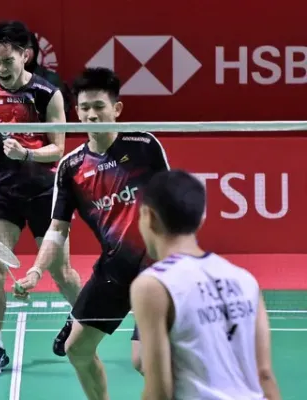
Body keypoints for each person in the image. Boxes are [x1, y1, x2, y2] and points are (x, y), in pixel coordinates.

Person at [14, 67, 170, 399]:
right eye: (84, 108)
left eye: (99, 106)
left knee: (145, 361)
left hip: (156, 269)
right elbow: (57, 229)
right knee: (77, 349)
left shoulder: (144, 146)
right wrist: (36, 271)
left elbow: (171, 204)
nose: (91, 115)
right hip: (114, 270)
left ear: (117, 109)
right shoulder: (71, 168)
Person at [0, 20, 82, 378]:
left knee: (62, 272)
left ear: (25, 55)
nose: (1, 68)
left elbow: (59, 148)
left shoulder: (47, 94)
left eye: (8, 61)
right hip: (1, 194)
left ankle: (78, 317)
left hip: (44, 192)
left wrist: (25, 154)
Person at [130, 169, 281, 400]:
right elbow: (265, 376)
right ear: (201, 218)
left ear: (148, 216)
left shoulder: (153, 285)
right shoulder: (244, 279)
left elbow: (159, 392)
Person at [24, 33, 72, 118]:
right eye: (17, 49)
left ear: (35, 49)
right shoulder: (5, 81)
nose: (23, 53)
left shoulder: (51, 80)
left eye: (27, 47)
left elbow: (62, 115)